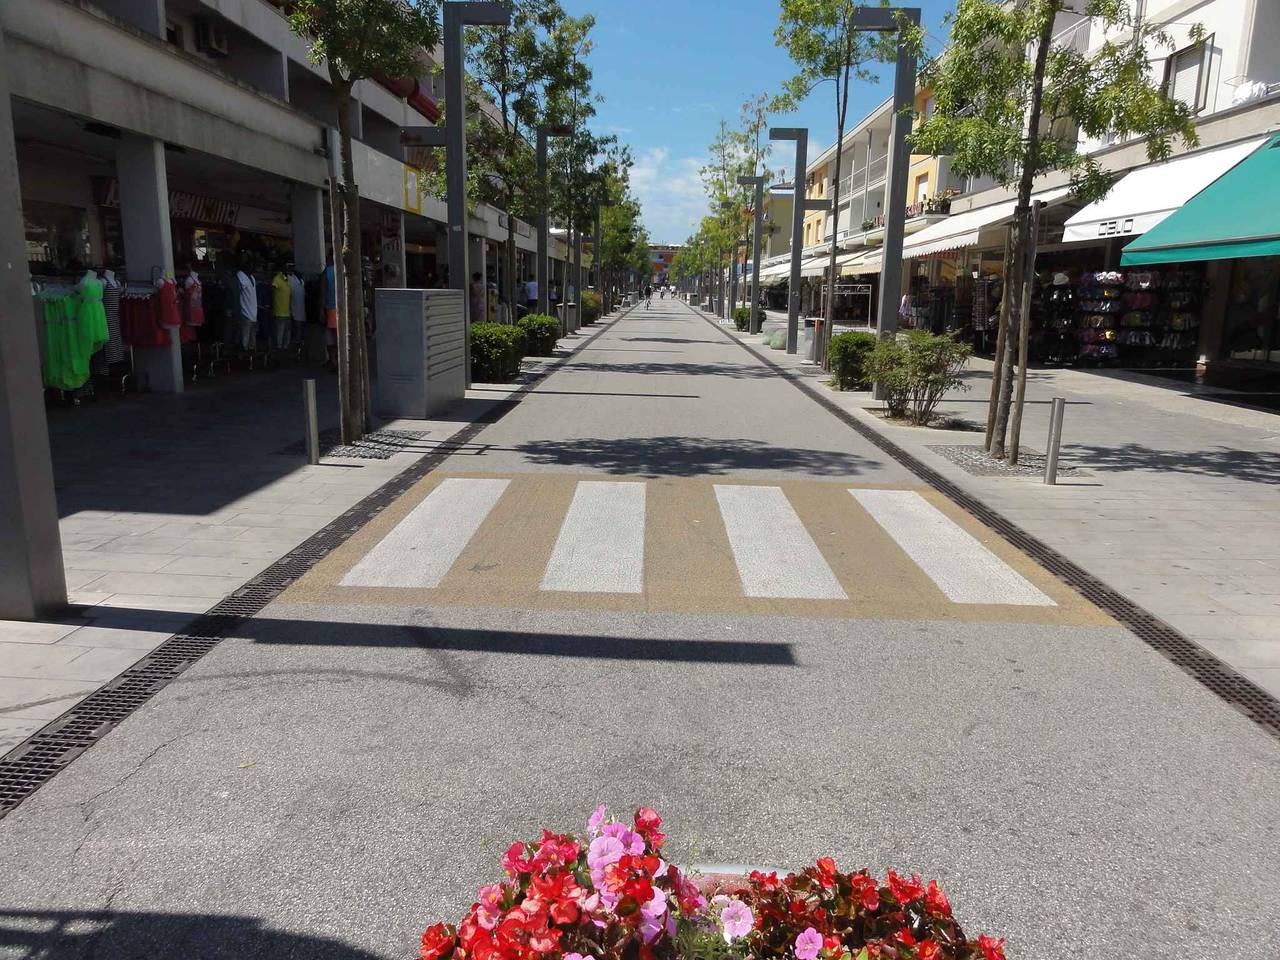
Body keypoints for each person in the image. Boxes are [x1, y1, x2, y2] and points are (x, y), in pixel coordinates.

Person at [235, 259, 258, 351]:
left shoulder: (252, 277)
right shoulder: (240, 276)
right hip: (245, 311)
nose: (252, 268)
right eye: (250, 266)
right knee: (245, 336)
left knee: (252, 337)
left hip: (254, 312)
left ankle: (251, 355)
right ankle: (244, 355)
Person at [323, 251, 338, 368]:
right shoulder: (343, 270)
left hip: (330, 308)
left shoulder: (327, 272)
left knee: (330, 335)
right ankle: (336, 359)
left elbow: (322, 292)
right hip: (342, 308)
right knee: (338, 335)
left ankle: (333, 360)